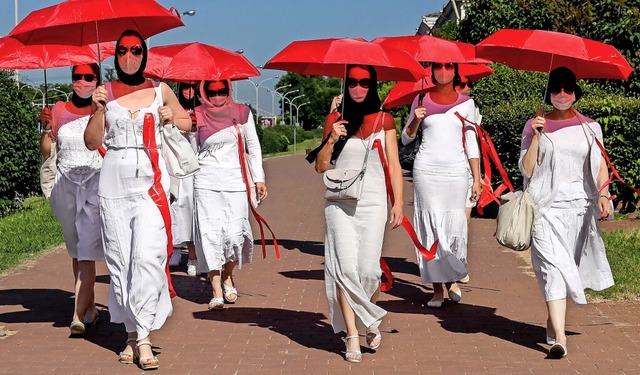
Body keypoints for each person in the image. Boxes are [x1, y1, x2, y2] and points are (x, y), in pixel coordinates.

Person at [84, 30, 191, 371]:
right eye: (122, 50)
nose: (128, 56)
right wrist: (98, 110)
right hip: (113, 183)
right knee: (120, 265)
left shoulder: (160, 89)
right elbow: (91, 142)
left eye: (135, 50)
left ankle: (143, 339)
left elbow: (188, 121)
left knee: (147, 258)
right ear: (114, 55)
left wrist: (172, 118)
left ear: (144, 54)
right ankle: (132, 334)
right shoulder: (104, 93)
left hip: (150, 184)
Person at [519, 66, 613, 359]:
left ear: (575, 92)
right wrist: (535, 136)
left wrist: (604, 194)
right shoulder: (534, 124)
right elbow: (527, 169)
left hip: (579, 210)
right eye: (556, 89)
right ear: (548, 93)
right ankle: (559, 337)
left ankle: (552, 320)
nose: (562, 94)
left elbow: (598, 166)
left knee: (566, 266)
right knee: (552, 269)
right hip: (545, 209)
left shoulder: (590, 127)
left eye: (567, 88)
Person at [313, 65, 404, 363]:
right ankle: (352, 334)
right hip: (340, 203)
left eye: (365, 82)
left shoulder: (384, 119)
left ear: (373, 85)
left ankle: (369, 319)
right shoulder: (335, 120)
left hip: (374, 202)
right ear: (345, 84)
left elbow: (394, 164)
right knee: (345, 268)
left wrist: (398, 203)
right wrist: (331, 139)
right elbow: (321, 167)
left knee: (368, 271)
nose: (358, 87)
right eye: (352, 82)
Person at [402, 62, 481, 308]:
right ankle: (437, 289)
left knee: (453, 227)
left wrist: (476, 178)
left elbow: (471, 140)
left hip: (456, 172)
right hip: (426, 171)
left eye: (448, 67)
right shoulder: (421, 99)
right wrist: (415, 120)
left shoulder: (467, 103)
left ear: (455, 71)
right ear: (432, 71)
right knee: (430, 228)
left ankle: (452, 278)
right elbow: (406, 138)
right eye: (439, 66)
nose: (443, 71)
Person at [39, 63, 103, 337]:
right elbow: (46, 151)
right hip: (65, 188)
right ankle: (89, 308)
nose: (83, 81)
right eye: (78, 76)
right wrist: (45, 128)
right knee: (77, 250)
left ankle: (77, 316)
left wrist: (101, 110)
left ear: (98, 79)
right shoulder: (59, 109)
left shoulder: (104, 107)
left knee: (87, 250)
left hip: (94, 185)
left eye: (89, 76)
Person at [193, 79, 267, 311]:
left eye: (221, 91)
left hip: (235, 182)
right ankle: (216, 289)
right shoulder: (196, 114)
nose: (216, 96)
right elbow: (190, 149)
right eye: (211, 92)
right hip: (205, 183)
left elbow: (253, 147)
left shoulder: (242, 112)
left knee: (235, 236)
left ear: (229, 90)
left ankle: (227, 275)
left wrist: (259, 179)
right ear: (203, 92)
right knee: (210, 235)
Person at [168, 81, 200, 277]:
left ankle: (194, 257)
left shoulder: (202, 110)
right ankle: (176, 249)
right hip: (176, 168)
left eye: (191, 87)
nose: (188, 91)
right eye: (184, 87)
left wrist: (195, 124)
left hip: (197, 168)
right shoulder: (172, 108)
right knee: (176, 209)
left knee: (192, 212)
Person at [455, 75, 480, 284]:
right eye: (460, 83)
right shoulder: (438, 108)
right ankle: (448, 265)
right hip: (447, 170)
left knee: (464, 220)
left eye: (468, 83)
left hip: (468, 169)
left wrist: (478, 178)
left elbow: (474, 143)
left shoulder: (473, 108)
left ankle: (460, 262)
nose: (465, 87)